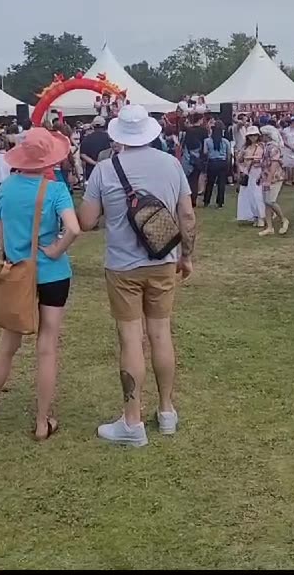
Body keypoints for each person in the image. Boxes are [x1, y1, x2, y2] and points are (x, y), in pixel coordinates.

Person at [79, 105, 196, 448]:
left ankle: (132, 422)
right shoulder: (172, 164)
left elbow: (86, 221)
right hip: (163, 261)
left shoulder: (103, 170)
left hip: (123, 267)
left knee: (131, 339)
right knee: (161, 333)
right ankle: (166, 411)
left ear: (118, 135)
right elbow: (186, 216)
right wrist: (186, 256)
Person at [0, 128, 80, 440]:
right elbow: (74, 229)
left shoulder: (7, 188)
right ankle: (42, 422)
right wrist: (55, 249)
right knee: (47, 346)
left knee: (7, 346)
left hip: (16, 273)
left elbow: (1, 236)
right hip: (53, 274)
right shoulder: (55, 190)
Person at [259, 125, 289, 236]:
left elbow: (274, 164)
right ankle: (269, 227)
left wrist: (269, 179)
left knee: (270, 201)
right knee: (266, 203)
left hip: (275, 178)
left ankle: (283, 219)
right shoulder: (267, 146)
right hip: (266, 176)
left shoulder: (274, 147)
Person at [236, 126, 265, 227]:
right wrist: (243, 169)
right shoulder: (245, 148)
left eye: (255, 135)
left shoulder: (262, 147)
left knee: (258, 195)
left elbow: (265, 160)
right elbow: (239, 160)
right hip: (248, 174)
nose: (253, 137)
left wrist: (255, 161)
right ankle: (255, 216)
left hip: (258, 173)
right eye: (251, 135)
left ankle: (261, 216)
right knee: (249, 196)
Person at [181, 113, 208, 207]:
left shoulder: (189, 131)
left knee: (189, 178)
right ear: (200, 119)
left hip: (189, 156)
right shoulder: (204, 131)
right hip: (199, 157)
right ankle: (194, 198)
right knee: (196, 178)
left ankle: (189, 198)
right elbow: (206, 144)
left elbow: (185, 144)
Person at [203, 121, 230, 208]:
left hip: (212, 162)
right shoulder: (225, 141)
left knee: (210, 183)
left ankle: (206, 201)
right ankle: (220, 202)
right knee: (221, 183)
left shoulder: (207, 141)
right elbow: (228, 154)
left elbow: (205, 152)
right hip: (222, 162)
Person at [80, 116, 111, 183]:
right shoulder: (109, 138)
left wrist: (95, 163)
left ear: (93, 126)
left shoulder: (87, 138)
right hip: (107, 169)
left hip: (92, 170)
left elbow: (82, 154)